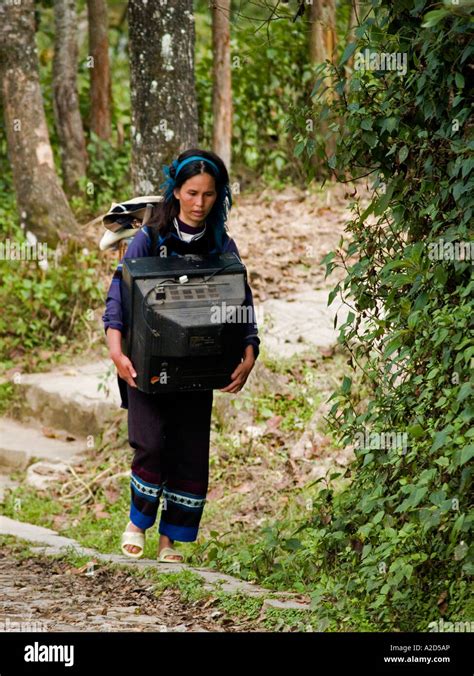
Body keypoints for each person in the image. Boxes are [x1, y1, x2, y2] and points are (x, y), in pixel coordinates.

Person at [102, 148, 261, 563]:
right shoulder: (149, 238)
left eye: (209, 195)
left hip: (197, 364)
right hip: (145, 362)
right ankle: (137, 522)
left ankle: (168, 541)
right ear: (176, 191)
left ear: (218, 196)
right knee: (151, 442)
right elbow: (117, 297)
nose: (198, 203)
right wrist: (117, 353)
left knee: (189, 449)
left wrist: (249, 350)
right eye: (191, 193)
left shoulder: (221, 244)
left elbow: (241, 299)